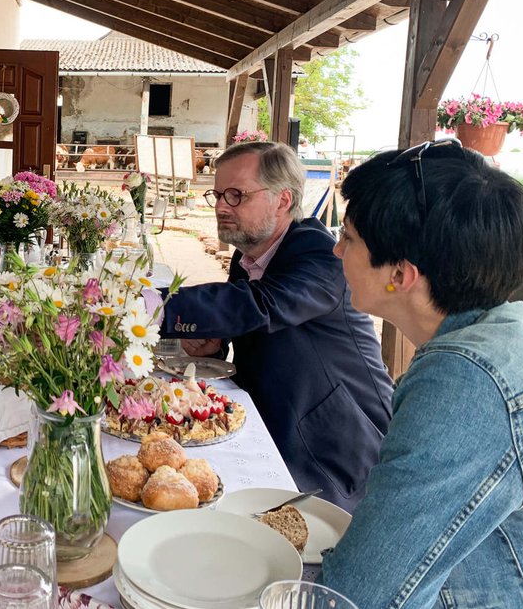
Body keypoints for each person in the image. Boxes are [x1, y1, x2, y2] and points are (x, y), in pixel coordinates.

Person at [320, 139, 523, 608]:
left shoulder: (465, 383)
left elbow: (359, 597)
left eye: (348, 238)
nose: (335, 251)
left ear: (401, 275)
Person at [160, 142, 392, 511]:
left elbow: (262, 305)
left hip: (331, 445)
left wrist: (151, 306)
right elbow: (249, 321)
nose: (221, 206)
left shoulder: (319, 254)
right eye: (218, 194)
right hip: (271, 421)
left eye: (236, 195)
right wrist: (214, 345)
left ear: (283, 201)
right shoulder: (249, 252)